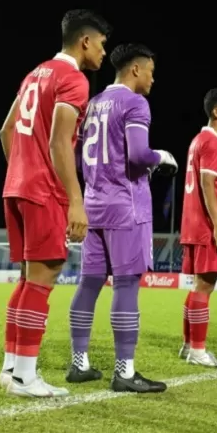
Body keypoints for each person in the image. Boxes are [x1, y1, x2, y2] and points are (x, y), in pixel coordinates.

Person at [0, 9, 111, 398]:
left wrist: (22, 169)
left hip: (16, 186)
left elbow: (7, 130)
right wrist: (75, 201)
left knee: (29, 279)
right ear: (84, 41)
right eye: (101, 43)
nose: (102, 51)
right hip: (43, 190)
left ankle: (11, 368)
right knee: (43, 278)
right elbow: (60, 141)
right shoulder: (73, 79)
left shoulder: (36, 73)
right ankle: (25, 378)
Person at [66, 43, 177, 393]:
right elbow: (139, 155)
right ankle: (125, 371)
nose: (152, 79)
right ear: (135, 70)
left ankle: (79, 363)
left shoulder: (94, 103)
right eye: (151, 72)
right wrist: (163, 156)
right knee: (127, 284)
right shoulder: (134, 102)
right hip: (126, 206)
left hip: (94, 204)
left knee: (89, 284)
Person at [177, 88, 217, 368]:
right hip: (206, 225)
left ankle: (189, 345)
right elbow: (207, 184)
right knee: (205, 285)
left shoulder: (198, 140)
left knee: (198, 285)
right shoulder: (213, 143)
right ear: (216, 112)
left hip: (192, 222)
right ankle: (198, 350)